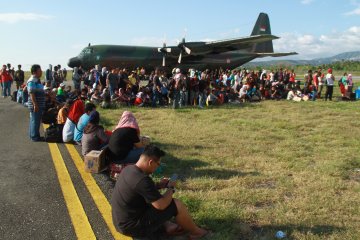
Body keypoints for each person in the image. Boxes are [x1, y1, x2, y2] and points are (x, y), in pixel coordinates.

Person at [111, 145, 209, 239]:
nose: (157, 167)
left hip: (120, 222)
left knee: (152, 201)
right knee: (175, 204)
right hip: (132, 227)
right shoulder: (142, 180)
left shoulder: (129, 169)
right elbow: (161, 205)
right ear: (150, 162)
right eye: (158, 164)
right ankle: (196, 232)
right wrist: (171, 188)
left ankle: (167, 226)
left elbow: (141, 190)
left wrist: (158, 185)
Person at [27, 64, 45, 141]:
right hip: (35, 104)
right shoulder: (32, 81)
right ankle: (34, 137)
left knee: (35, 120)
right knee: (35, 121)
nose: (41, 72)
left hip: (38, 104)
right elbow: (31, 93)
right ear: (34, 72)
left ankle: (34, 135)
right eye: (39, 70)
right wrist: (35, 105)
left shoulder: (36, 80)